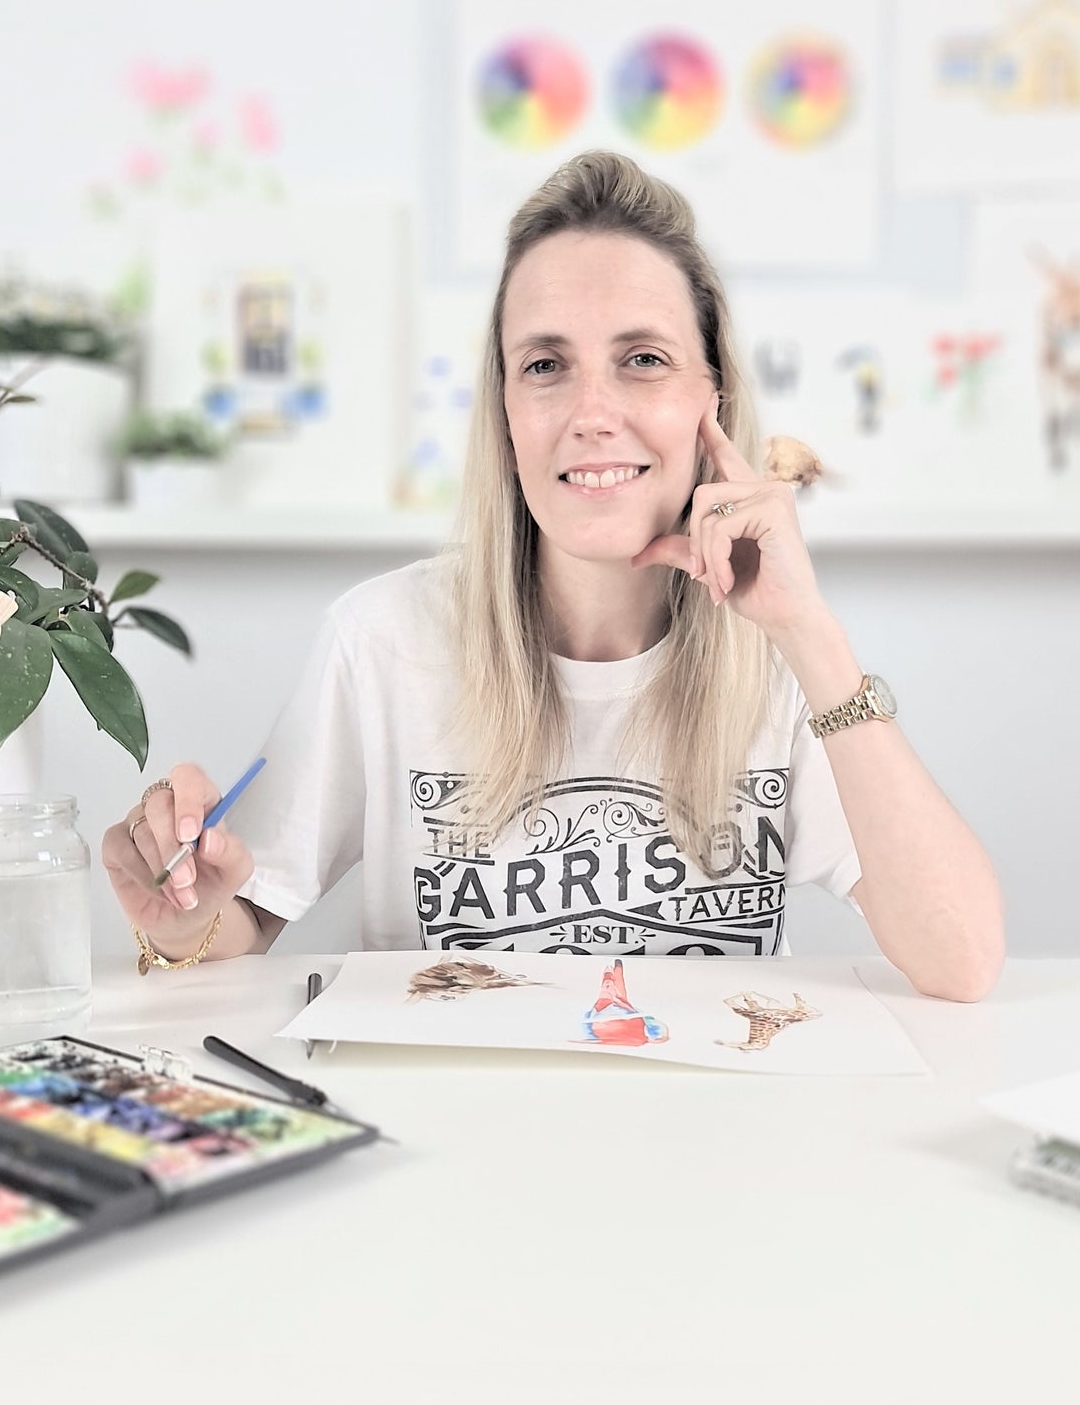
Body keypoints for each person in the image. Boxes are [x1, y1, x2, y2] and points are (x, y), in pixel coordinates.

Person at [103, 151, 1005, 1000]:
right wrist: (179, 915)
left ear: (711, 397)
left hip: (716, 1154)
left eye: (642, 360)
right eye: (545, 366)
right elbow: (238, 921)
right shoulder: (381, 641)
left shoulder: (777, 656)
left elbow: (960, 959)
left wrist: (810, 633)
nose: (593, 413)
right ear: (504, 413)